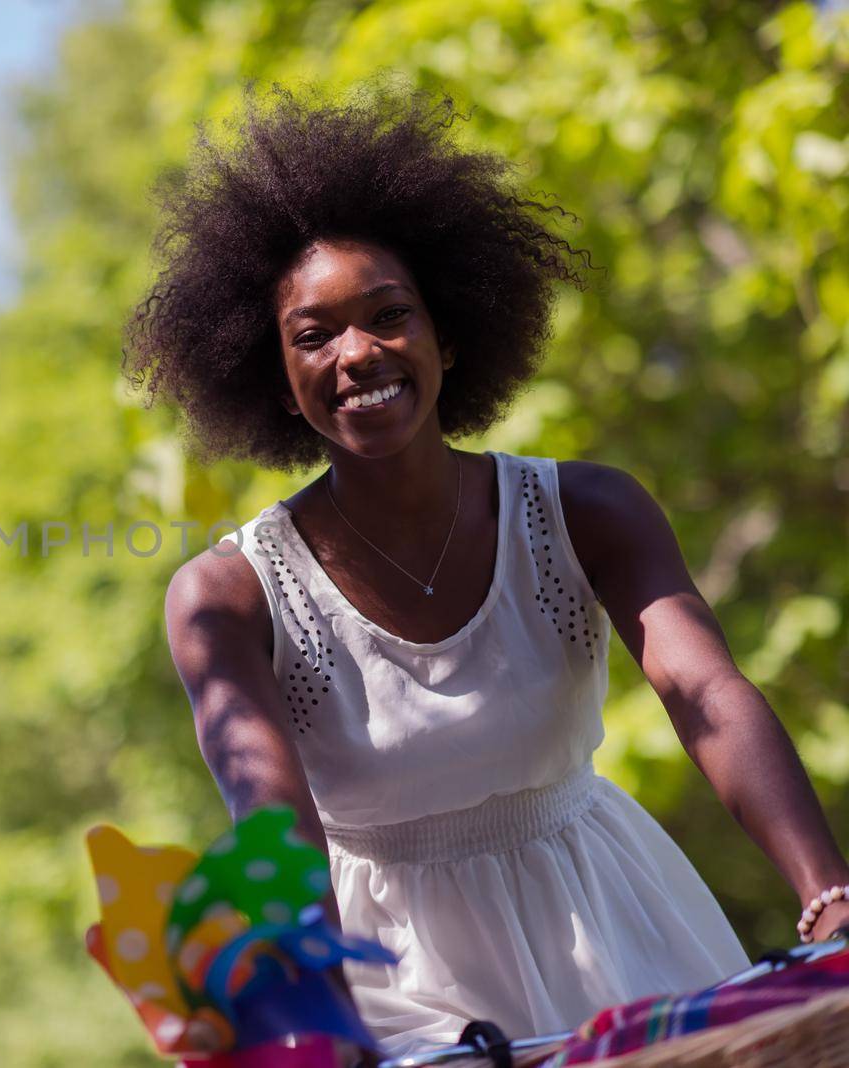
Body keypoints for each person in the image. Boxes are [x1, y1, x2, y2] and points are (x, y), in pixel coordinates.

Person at [124, 84, 849, 1055]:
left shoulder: (587, 509)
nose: (358, 353)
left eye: (389, 315)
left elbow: (701, 687)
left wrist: (827, 899)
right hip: (385, 977)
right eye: (313, 335)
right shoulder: (224, 596)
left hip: (615, 927)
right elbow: (273, 817)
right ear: (276, 377)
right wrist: (319, 1021)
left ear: (448, 333)